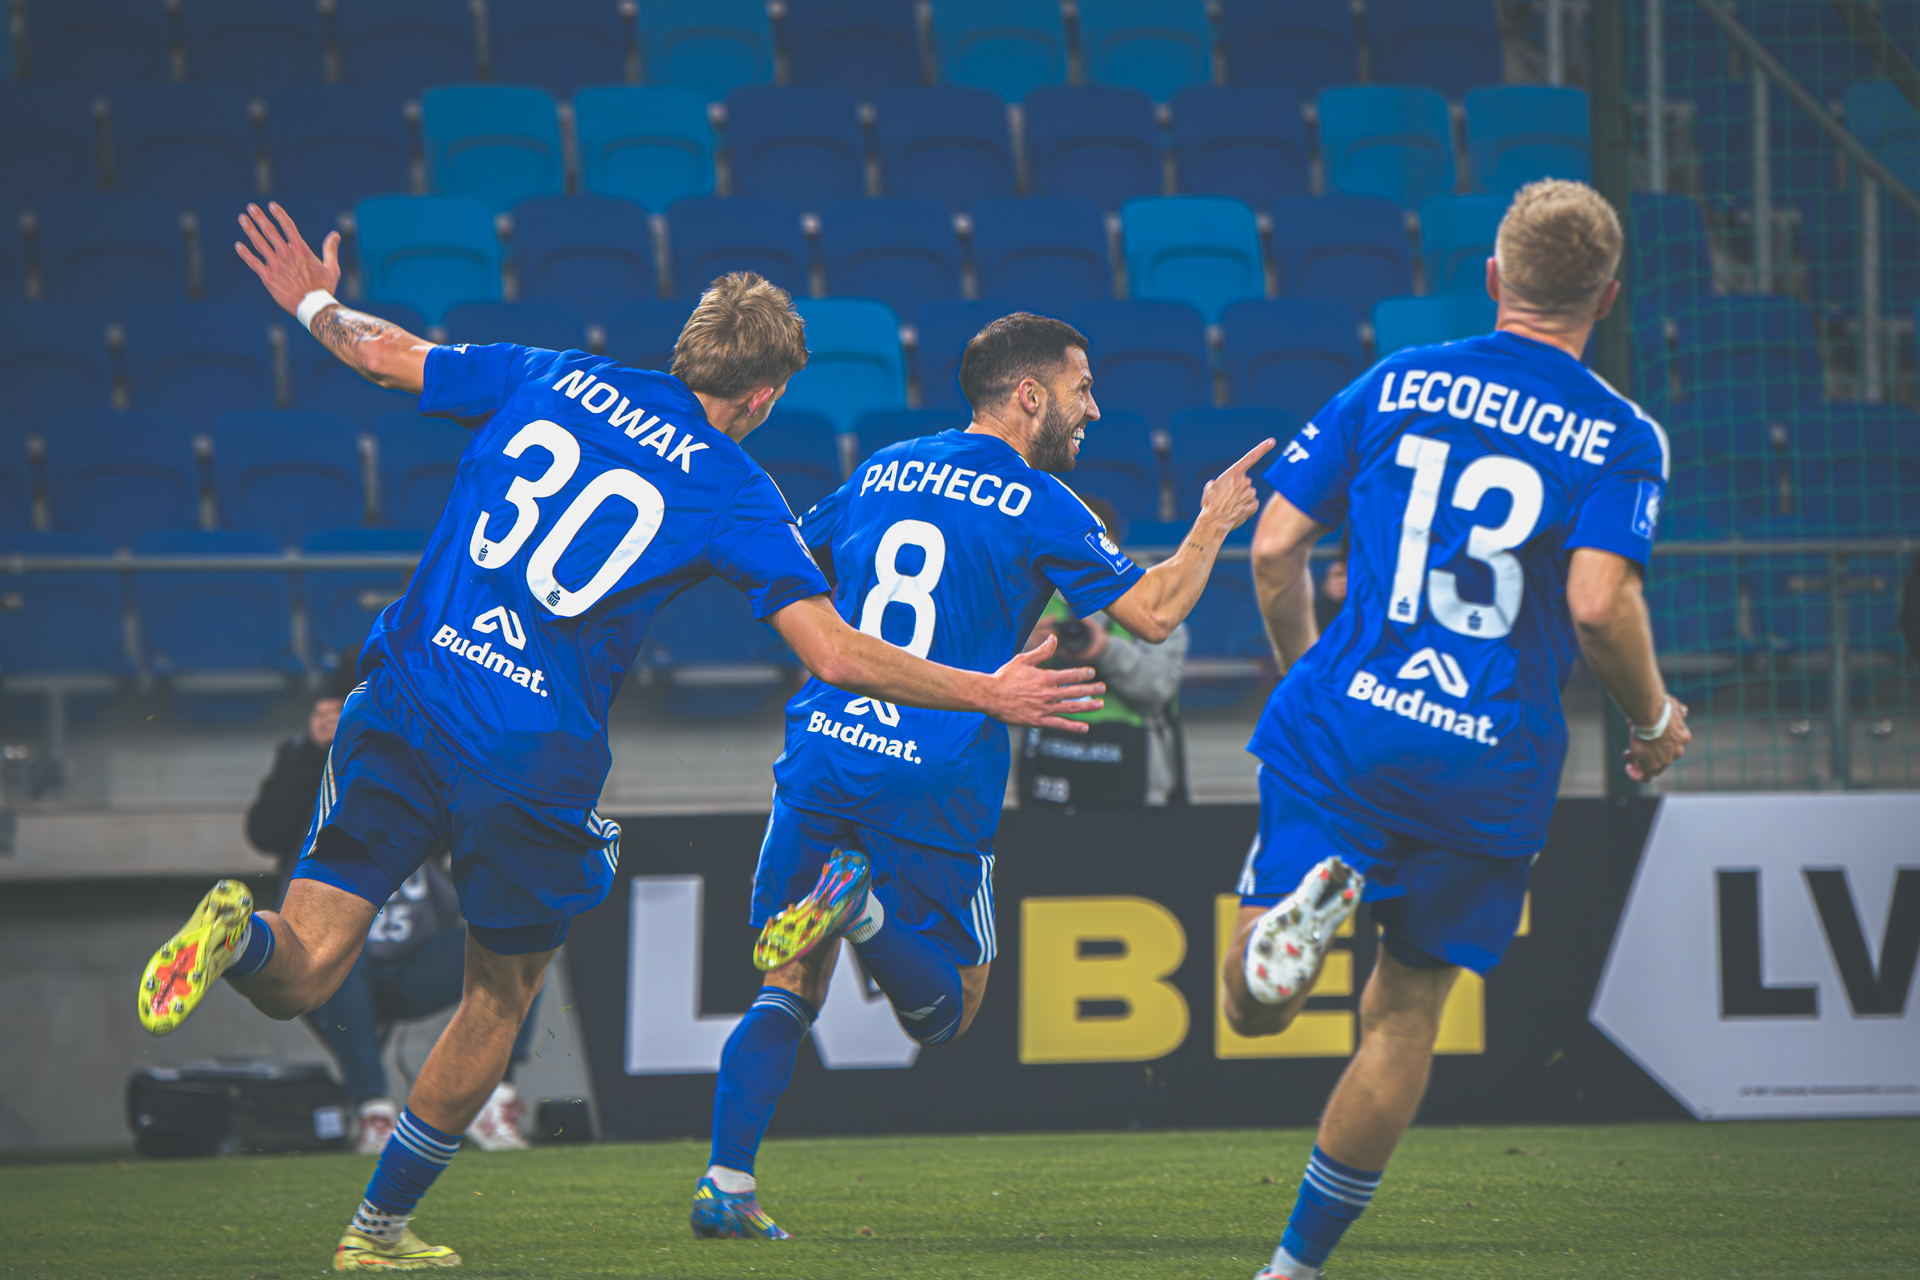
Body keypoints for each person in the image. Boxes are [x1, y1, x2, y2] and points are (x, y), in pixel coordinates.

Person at [135, 203, 1105, 1272]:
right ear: (764, 395)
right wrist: (986, 689)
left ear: (688, 346)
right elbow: (832, 652)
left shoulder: (550, 374)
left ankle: (239, 938)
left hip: (404, 696)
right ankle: (376, 1231)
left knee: (307, 963)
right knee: (499, 997)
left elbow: (386, 355)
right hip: (525, 755)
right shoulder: (735, 489)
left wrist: (315, 300)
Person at [693, 312, 1272, 1239]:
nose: (1094, 409)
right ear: (1030, 394)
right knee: (949, 1009)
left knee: (788, 978)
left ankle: (726, 1182)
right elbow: (1155, 614)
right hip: (934, 768)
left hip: (824, 749)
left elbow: (787, 556)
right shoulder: (1042, 501)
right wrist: (1210, 525)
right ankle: (863, 910)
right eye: (1082, 388)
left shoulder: (883, 467)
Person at [1219, 179, 1691, 1280]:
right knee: (1401, 1018)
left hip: (1345, 728)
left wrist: (1308, 675)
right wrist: (1655, 716)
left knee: (1250, 1008)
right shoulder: (1622, 436)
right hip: (1487, 762)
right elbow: (1599, 606)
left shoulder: (1397, 379)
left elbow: (1274, 548)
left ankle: (1290, 936)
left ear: (1494, 278)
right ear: (1608, 297)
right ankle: (1293, 1268)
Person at [244, 665, 540, 1155]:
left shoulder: (419, 757)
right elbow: (266, 833)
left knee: (519, 947)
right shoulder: (313, 767)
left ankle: (491, 1099)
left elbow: (469, 832)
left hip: (415, 956)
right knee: (336, 954)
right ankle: (374, 1112)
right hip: (335, 960)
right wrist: (316, 754)